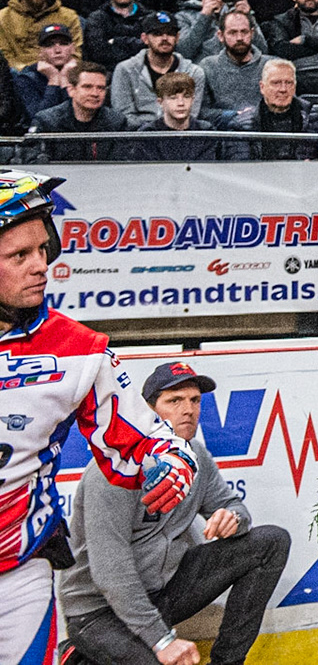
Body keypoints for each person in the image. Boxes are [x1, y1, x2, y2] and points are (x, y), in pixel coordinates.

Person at [0, 171, 198, 658]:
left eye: (43, 250)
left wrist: (173, 464)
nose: (39, 266)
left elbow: (152, 439)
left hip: (18, 573)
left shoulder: (79, 351)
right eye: (19, 256)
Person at [60, 359, 291, 665]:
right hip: (100, 610)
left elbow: (234, 506)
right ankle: (81, 655)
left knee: (271, 541)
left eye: (195, 400)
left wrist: (233, 518)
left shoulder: (196, 456)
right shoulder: (114, 469)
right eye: (175, 400)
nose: (189, 409)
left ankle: (228, 662)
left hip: (163, 592)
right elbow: (111, 574)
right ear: (149, 411)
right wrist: (162, 640)